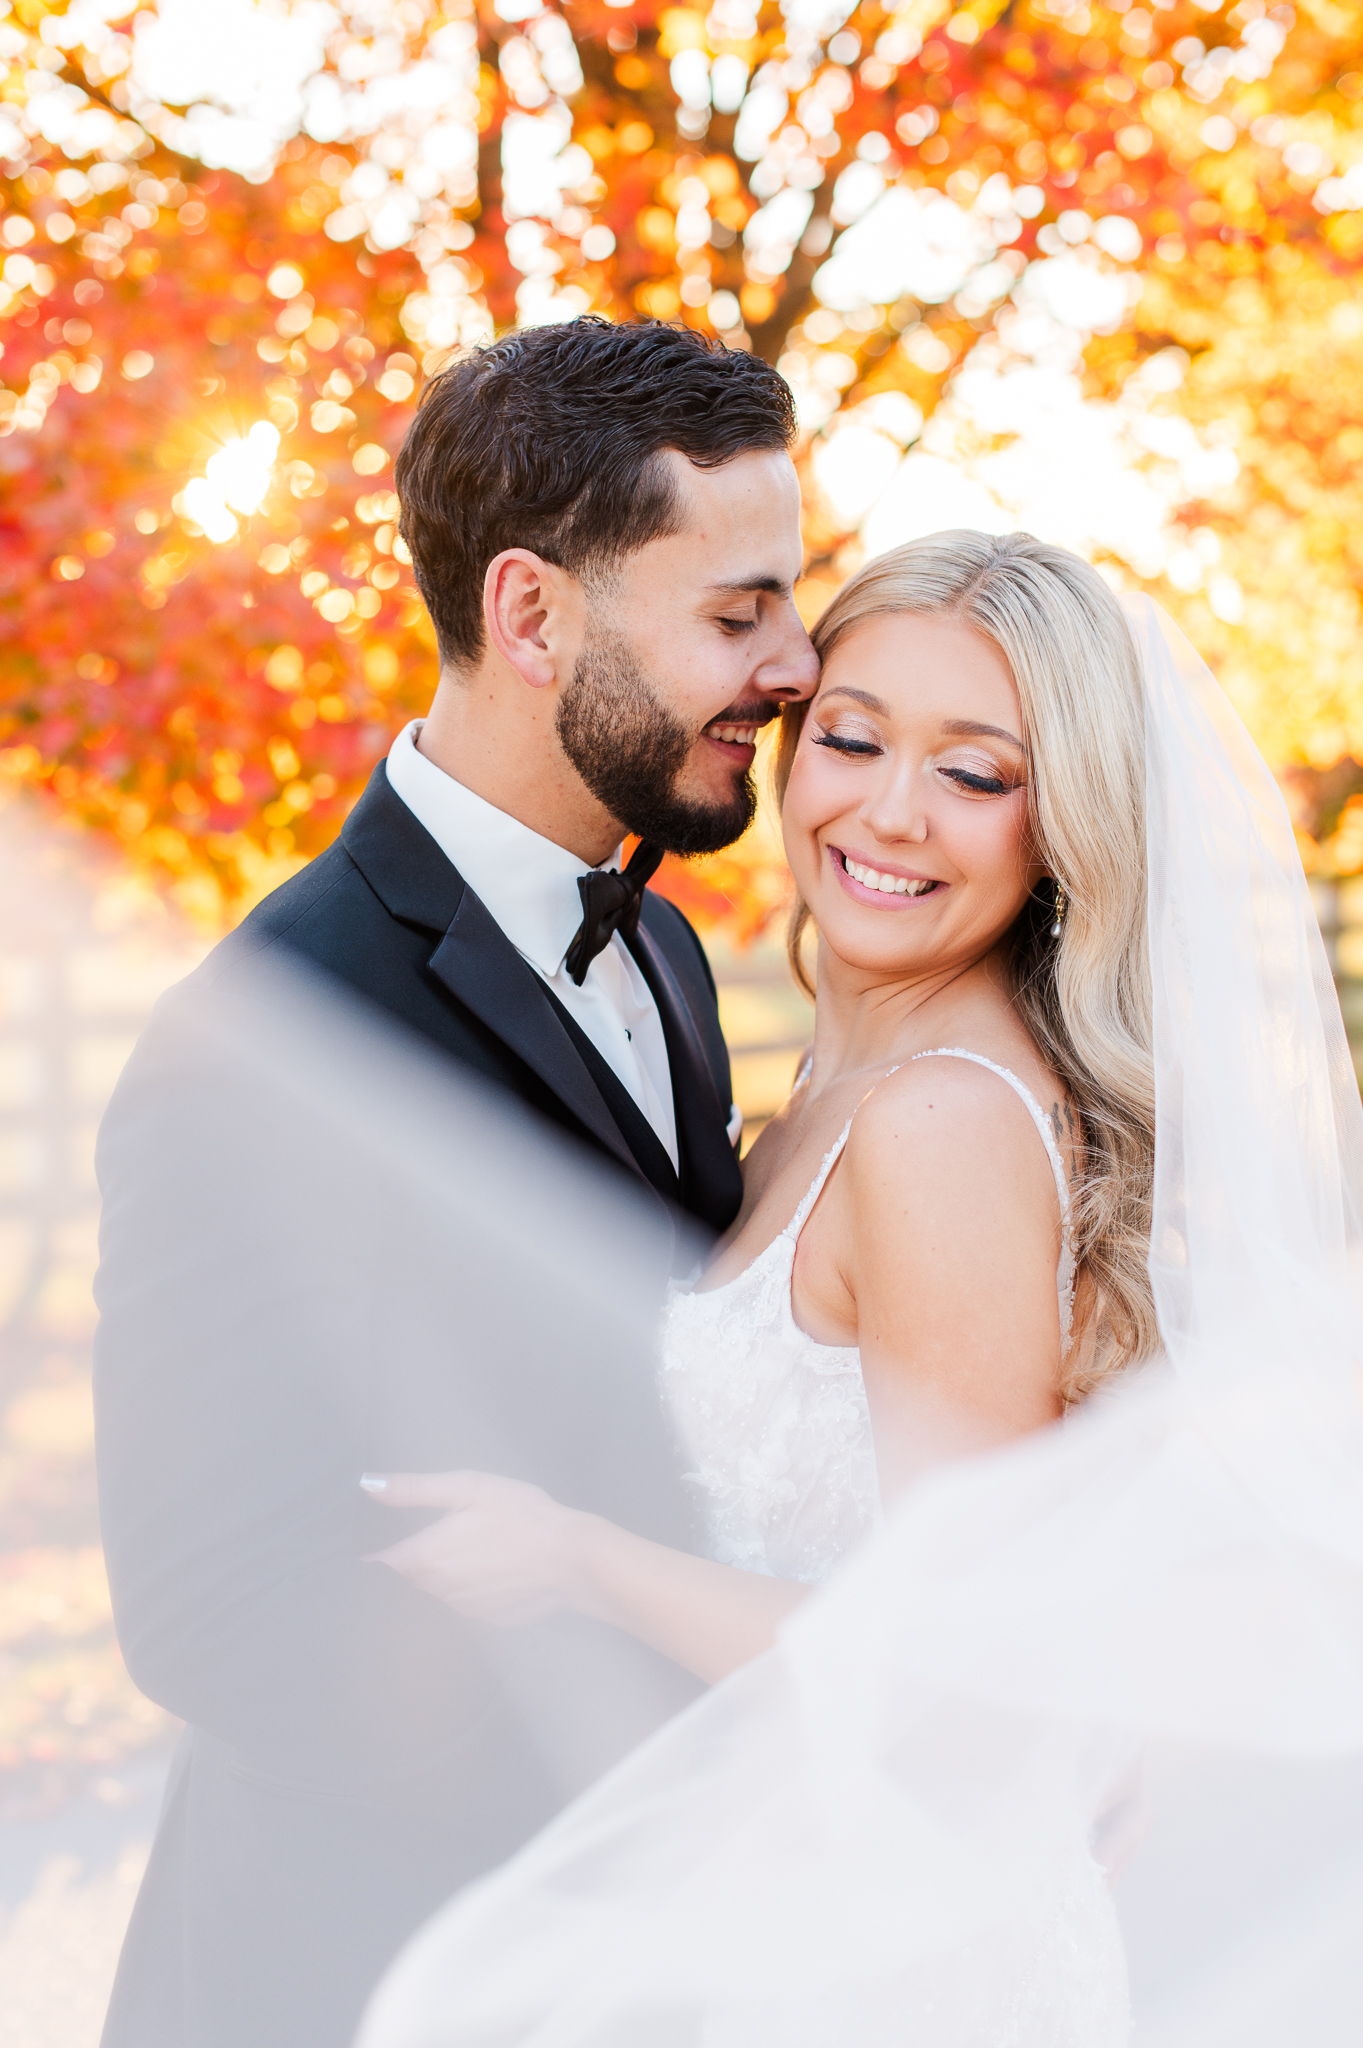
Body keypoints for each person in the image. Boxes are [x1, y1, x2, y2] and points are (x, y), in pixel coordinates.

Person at [355, 532, 1363, 2046]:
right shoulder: (838, 1071)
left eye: (978, 772)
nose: (890, 812)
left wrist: (577, 1558)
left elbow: (962, 1671)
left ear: (1063, 823)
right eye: (852, 738)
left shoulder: (942, 1122)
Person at [93, 318, 818, 2048]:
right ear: (530, 615)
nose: (796, 664)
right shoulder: (263, 1046)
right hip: (381, 1969)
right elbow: (218, 1615)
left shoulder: (668, 955)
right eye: (737, 614)